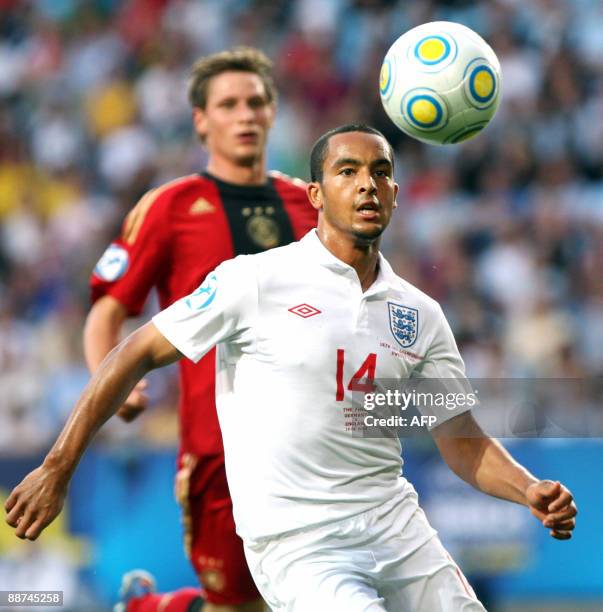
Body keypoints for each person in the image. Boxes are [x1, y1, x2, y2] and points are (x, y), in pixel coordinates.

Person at [6, 125, 577, 611]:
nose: (365, 184)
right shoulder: (254, 280)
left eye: (380, 172)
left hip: (397, 528)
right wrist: (58, 468)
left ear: (397, 193)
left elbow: (463, 441)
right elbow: (134, 353)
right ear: (316, 194)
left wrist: (529, 488)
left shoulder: (419, 314)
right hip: (299, 544)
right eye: (347, 171)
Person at [84, 47, 316, 612]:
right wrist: (112, 384)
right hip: (219, 445)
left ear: (273, 112)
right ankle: (151, 607)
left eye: (256, 103)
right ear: (201, 120)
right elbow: (108, 312)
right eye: (229, 104)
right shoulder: (170, 207)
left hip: (314, 443)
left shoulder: (311, 206)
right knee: (240, 605)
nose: (245, 115)